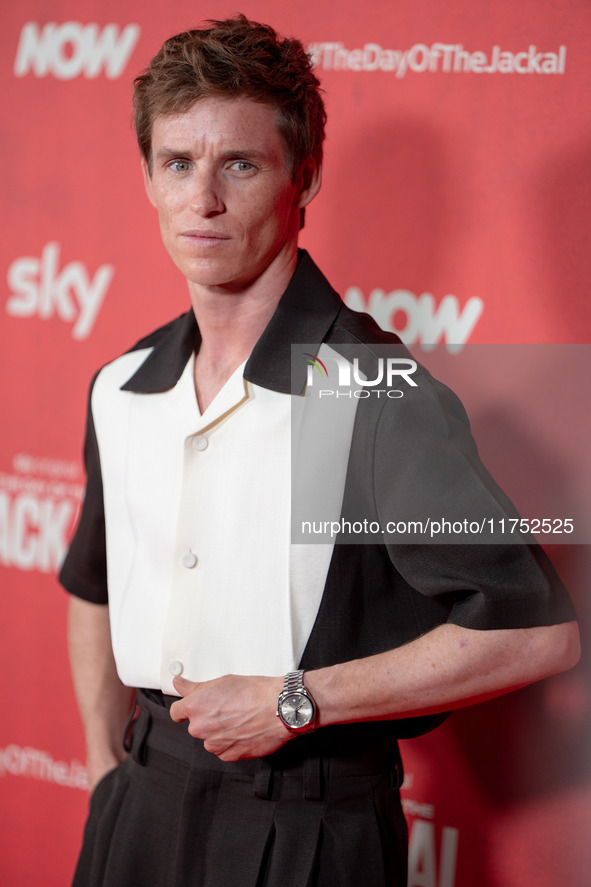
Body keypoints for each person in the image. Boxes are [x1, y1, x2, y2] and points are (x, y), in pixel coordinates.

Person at [59, 14, 580, 887]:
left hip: (304, 827)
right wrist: (106, 776)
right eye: (178, 164)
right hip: (137, 807)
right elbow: (93, 584)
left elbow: (534, 632)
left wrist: (293, 701)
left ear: (305, 176)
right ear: (148, 177)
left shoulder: (363, 386)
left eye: (240, 164)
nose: (204, 200)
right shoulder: (123, 383)